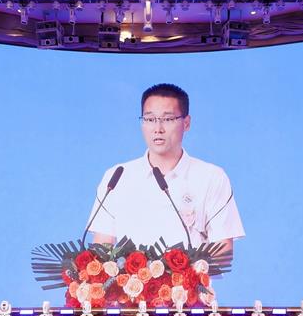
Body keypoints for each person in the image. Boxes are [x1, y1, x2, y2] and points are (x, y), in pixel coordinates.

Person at [87, 83, 244, 254]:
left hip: (191, 272)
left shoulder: (211, 177)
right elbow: (101, 247)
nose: (158, 129)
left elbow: (223, 250)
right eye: (150, 119)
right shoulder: (117, 176)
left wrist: (187, 269)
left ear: (186, 123)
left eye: (168, 119)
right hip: (128, 273)